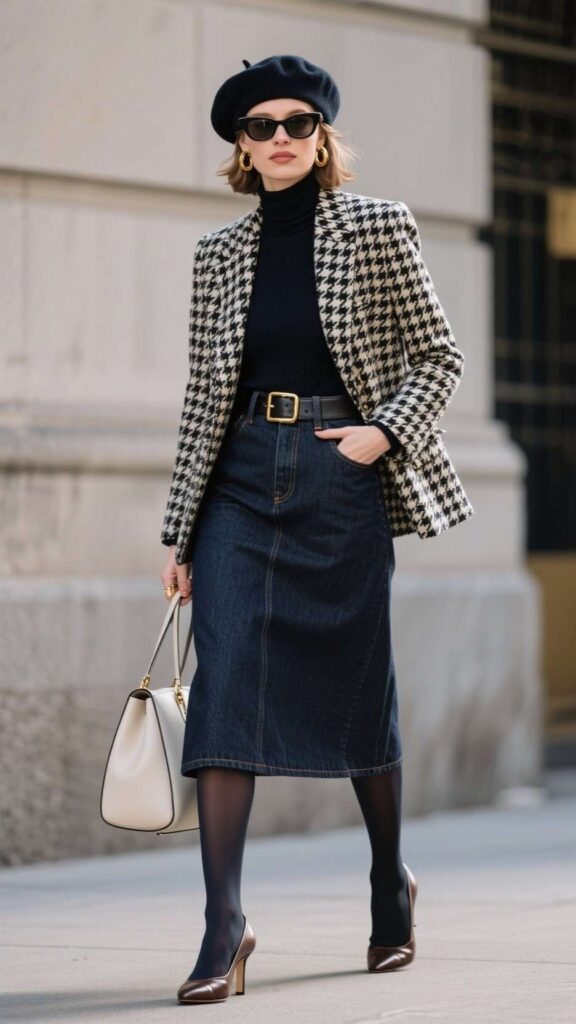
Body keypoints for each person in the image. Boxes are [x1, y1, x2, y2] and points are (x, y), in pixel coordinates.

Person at [159, 55, 473, 1005]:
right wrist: (179, 532)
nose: (281, 138)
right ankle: (224, 922)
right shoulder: (217, 253)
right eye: (261, 127)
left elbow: (439, 354)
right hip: (239, 481)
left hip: (341, 473)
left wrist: (383, 434)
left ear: (322, 136)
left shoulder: (377, 225)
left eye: (298, 122)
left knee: (357, 686)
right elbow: (202, 398)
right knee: (224, 691)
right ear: (242, 147)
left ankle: (388, 881)